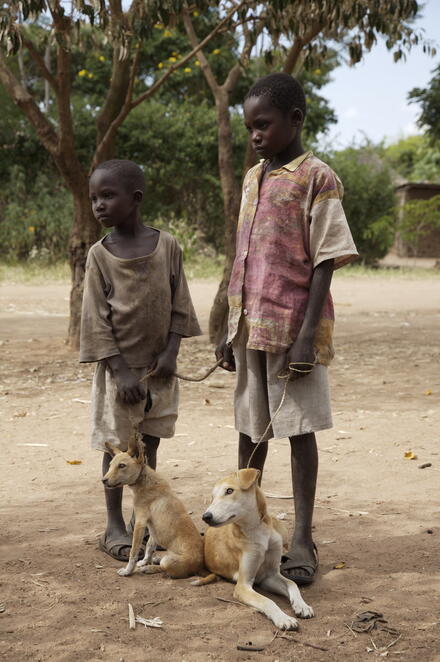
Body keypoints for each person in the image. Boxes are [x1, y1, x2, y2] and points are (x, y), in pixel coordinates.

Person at [216, 73, 358, 585]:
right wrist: (225, 326)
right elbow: (243, 257)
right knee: (249, 430)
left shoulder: (317, 177)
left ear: (295, 120)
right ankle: (245, 527)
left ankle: (302, 537)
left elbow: (325, 260)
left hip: (293, 330)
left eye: (264, 124)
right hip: (250, 326)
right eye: (249, 126)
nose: (255, 134)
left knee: (298, 432)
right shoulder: (254, 179)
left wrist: (306, 335)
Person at [80, 159, 201, 561]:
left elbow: (180, 304)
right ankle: (113, 524)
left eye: (108, 196)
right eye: (94, 197)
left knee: (146, 445)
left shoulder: (167, 246)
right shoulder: (99, 255)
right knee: (116, 449)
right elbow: (95, 319)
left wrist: (171, 352)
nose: (98, 204)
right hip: (120, 373)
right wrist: (119, 370)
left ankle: (141, 517)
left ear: (136, 199)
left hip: (159, 371)